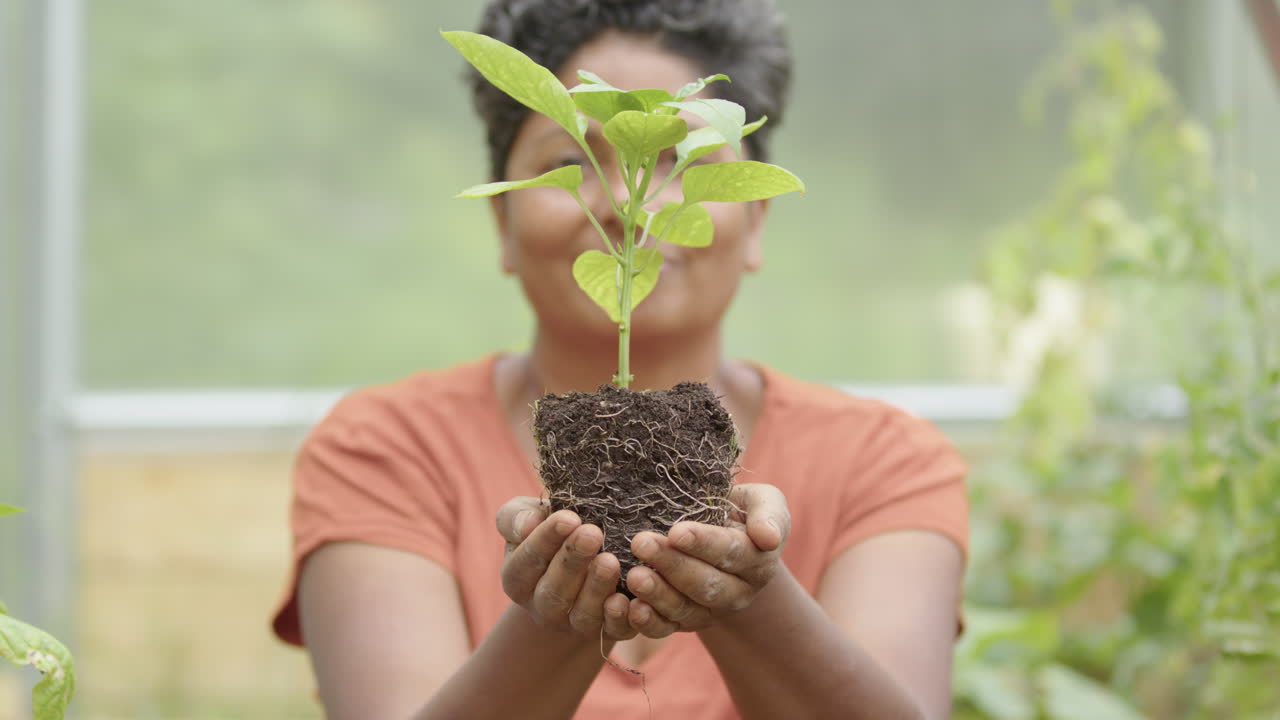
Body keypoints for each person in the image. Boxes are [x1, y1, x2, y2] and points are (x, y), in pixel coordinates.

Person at [270, 1, 969, 718]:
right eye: (571, 164)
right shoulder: (386, 450)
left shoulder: (883, 461)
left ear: (755, 220)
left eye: (683, 160)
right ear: (502, 223)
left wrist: (750, 593)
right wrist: (558, 613)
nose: (630, 211)